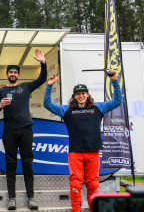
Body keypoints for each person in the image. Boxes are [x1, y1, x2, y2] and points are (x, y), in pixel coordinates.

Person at [43, 71, 123, 212]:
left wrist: (115, 80)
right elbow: (47, 104)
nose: (81, 96)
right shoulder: (66, 109)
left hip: (93, 153)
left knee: (93, 185)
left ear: (87, 95)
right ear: (74, 96)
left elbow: (118, 100)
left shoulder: (98, 107)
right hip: (75, 154)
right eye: (78, 94)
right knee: (75, 185)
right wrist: (49, 85)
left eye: (83, 93)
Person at [0, 48, 47, 210]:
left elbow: (42, 79)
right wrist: (0, 104)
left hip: (26, 129)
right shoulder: (1, 91)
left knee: (27, 163)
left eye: (15, 72)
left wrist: (43, 63)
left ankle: (31, 198)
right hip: (9, 131)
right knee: (11, 163)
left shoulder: (25, 87)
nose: (13, 74)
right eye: (10, 72)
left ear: (18, 75)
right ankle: (12, 198)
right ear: (7, 74)